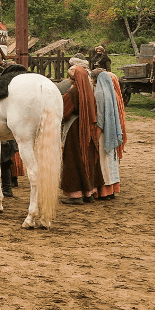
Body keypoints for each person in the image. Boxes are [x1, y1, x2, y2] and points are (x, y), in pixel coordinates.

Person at [60, 60, 103, 205]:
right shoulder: (88, 91)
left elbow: (64, 112)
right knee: (87, 159)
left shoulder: (73, 91)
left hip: (74, 129)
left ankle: (75, 195)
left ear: (72, 78)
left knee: (72, 160)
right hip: (87, 129)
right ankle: (88, 193)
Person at [93, 68, 127, 200]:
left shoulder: (99, 93)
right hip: (111, 131)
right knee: (110, 161)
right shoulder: (111, 93)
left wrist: (96, 131)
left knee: (102, 161)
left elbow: (100, 117)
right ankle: (112, 189)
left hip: (102, 133)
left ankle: (104, 191)